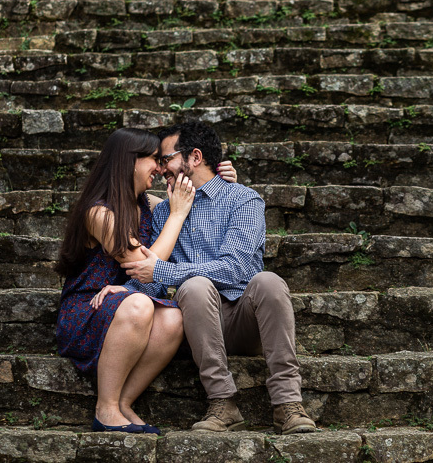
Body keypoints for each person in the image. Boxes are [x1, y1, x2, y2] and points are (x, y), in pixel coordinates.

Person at [121, 121, 316, 435]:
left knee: (268, 281)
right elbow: (151, 280)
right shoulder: (164, 213)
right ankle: (222, 403)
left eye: (166, 158)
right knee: (195, 286)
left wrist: (163, 270)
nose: (161, 168)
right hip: (196, 322)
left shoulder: (243, 200)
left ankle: (288, 405)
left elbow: (235, 268)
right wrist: (122, 290)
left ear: (195, 157)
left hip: (245, 318)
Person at [55, 127, 237, 434]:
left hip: (131, 300)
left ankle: (124, 403)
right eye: (153, 159)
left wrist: (223, 182)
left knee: (173, 318)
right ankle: (106, 408)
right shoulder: (98, 212)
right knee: (139, 303)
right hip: (89, 309)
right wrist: (177, 215)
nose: (161, 167)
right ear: (129, 161)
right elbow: (143, 266)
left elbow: (196, 204)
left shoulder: (147, 205)